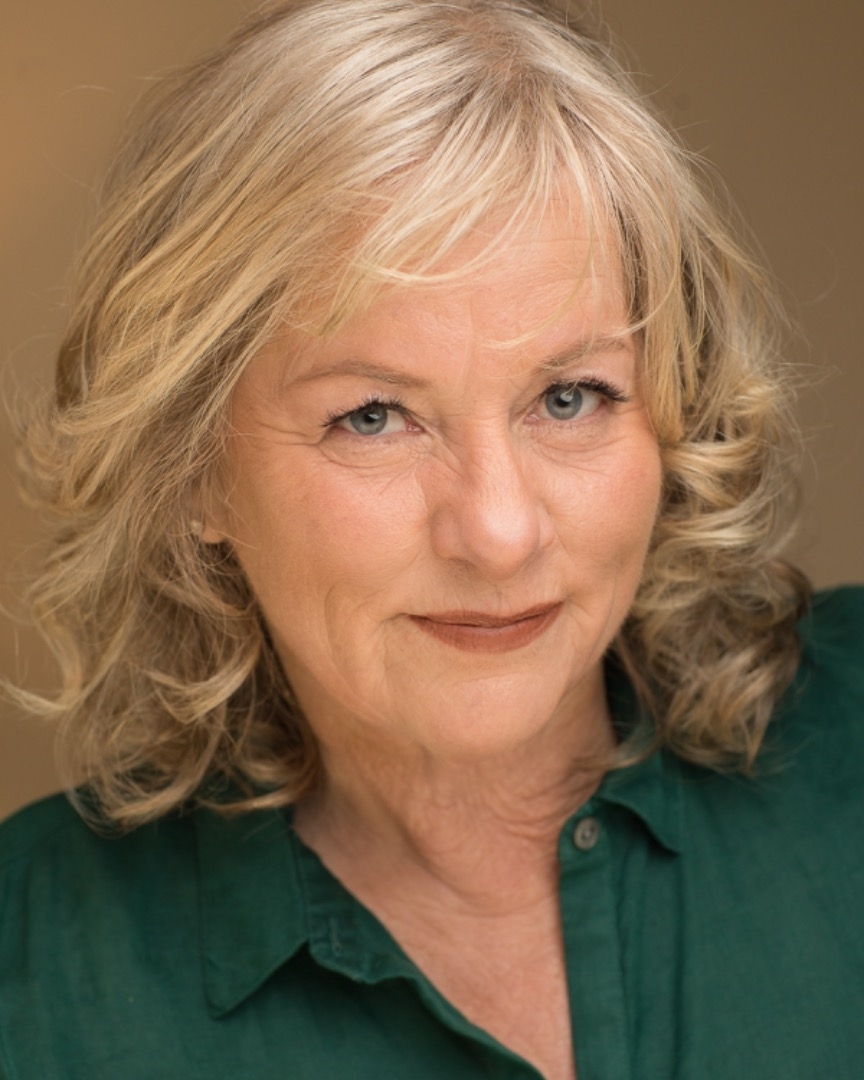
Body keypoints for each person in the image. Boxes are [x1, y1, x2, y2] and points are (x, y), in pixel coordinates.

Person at [1, 0, 863, 1077]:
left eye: (570, 397)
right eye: (373, 416)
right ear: (193, 472)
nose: (498, 532)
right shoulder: (33, 983)